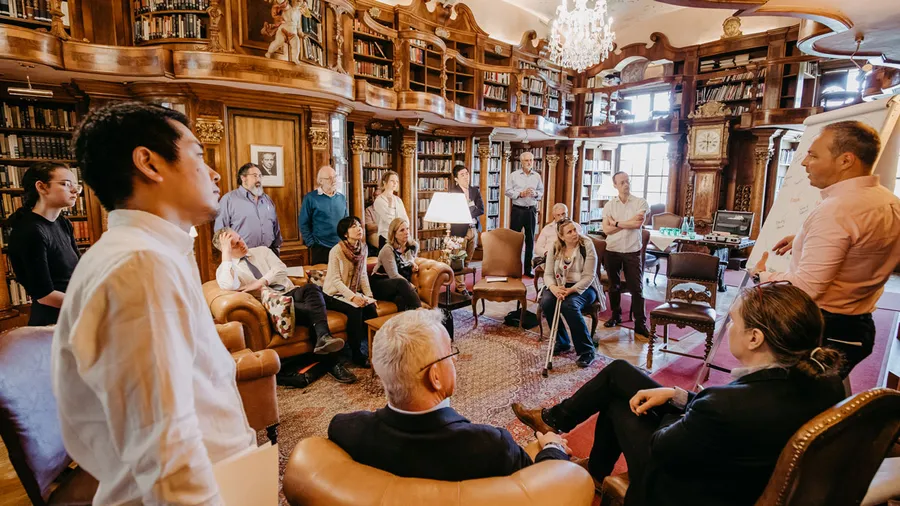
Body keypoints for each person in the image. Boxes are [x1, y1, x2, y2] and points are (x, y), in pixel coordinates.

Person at [55, 102, 255, 504]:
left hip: (227, 478)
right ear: (149, 163)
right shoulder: (140, 266)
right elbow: (167, 453)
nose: (214, 173)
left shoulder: (152, 253)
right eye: (199, 155)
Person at [513, 282, 845, 506]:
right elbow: (731, 411)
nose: (729, 327)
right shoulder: (824, 380)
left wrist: (677, 412)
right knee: (619, 373)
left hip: (687, 486)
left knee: (617, 405)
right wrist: (677, 395)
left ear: (755, 338)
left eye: (734, 322)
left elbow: (663, 447)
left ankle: (592, 467)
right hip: (733, 452)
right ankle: (553, 421)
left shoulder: (723, 405)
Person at [329, 309, 571, 481]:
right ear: (435, 377)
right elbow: (542, 487)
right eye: (449, 353)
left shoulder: (345, 429)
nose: (455, 359)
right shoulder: (490, 445)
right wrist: (552, 447)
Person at [751, 120, 900, 378]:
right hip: (858, 324)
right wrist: (802, 238)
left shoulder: (837, 210)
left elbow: (807, 287)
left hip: (822, 327)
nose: (804, 162)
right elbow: (862, 244)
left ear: (845, 160)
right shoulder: (889, 201)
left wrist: (763, 277)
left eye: (813, 155)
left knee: (796, 405)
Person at [212, 228, 357, 384]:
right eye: (234, 245)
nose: (242, 244)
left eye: (240, 238)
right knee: (313, 310)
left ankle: (327, 340)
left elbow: (281, 269)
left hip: (291, 290)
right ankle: (332, 360)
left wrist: (260, 282)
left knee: (312, 288)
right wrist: (226, 255)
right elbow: (228, 285)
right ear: (226, 250)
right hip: (276, 304)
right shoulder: (226, 269)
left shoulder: (261, 251)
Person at [5, 162, 81, 326]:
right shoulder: (30, 231)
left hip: (73, 313)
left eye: (76, 186)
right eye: (66, 184)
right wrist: (90, 304)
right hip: (52, 323)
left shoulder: (63, 223)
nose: (74, 190)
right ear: (42, 187)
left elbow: (78, 269)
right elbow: (45, 295)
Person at [540, 219, 606, 368]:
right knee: (546, 301)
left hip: (585, 287)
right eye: (569, 232)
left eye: (575, 230)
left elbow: (589, 277)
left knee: (569, 305)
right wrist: (553, 288)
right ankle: (562, 341)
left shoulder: (586, 245)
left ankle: (586, 351)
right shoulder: (555, 247)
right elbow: (548, 274)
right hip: (560, 285)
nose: (574, 233)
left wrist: (571, 290)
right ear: (561, 236)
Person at [323, 216, 379, 367]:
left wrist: (369, 296)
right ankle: (356, 354)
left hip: (351, 291)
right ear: (345, 233)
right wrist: (354, 298)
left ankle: (375, 349)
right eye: (354, 226)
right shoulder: (336, 251)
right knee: (355, 310)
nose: (359, 228)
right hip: (333, 293)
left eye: (359, 225)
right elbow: (336, 280)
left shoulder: (363, 248)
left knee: (371, 307)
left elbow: (362, 275)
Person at [601, 171, 650, 337]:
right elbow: (606, 230)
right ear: (615, 185)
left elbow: (638, 223)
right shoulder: (609, 205)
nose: (626, 184)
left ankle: (640, 324)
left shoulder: (640, 202)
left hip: (632, 251)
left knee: (637, 288)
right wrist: (625, 224)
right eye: (622, 182)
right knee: (613, 286)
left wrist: (615, 222)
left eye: (628, 181)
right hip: (612, 250)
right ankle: (616, 316)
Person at [214, 162, 283, 254]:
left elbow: (276, 227)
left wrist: (277, 248)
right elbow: (220, 232)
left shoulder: (267, 200)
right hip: (243, 256)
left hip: (269, 254)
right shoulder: (228, 200)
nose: (258, 179)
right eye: (254, 175)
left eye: (260, 176)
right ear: (243, 178)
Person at [300, 165, 349, 265]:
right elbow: (303, 223)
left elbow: (347, 222)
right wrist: (311, 244)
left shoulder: (341, 198)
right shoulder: (310, 198)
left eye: (335, 177)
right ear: (320, 181)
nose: (333, 180)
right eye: (329, 178)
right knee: (322, 279)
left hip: (341, 246)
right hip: (320, 247)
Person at [505, 151, 543, 277]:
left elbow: (541, 192)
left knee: (530, 240)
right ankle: (512, 267)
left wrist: (536, 194)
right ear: (521, 162)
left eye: (531, 160)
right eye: (526, 160)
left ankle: (528, 269)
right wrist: (520, 194)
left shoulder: (537, 176)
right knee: (514, 240)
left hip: (531, 210)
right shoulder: (514, 175)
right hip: (518, 210)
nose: (529, 163)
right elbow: (507, 191)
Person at [371, 218, 422, 312]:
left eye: (407, 229)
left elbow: (409, 259)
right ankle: (421, 312)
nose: (406, 232)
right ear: (394, 234)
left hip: (398, 285)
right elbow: (393, 275)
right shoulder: (388, 249)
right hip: (380, 283)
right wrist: (409, 286)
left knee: (401, 300)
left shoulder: (413, 246)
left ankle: (408, 324)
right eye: (402, 230)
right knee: (402, 283)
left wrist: (412, 263)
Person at [448, 164, 484, 295]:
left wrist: (467, 212)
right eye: (462, 175)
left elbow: (481, 209)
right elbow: (455, 212)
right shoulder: (453, 192)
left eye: (467, 173)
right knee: (459, 260)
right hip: (459, 231)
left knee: (468, 259)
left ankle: (461, 285)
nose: (466, 177)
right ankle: (461, 287)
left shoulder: (475, 191)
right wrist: (470, 210)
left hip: (473, 228)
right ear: (456, 179)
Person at [372, 170, 408, 250]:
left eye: (397, 181)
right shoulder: (379, 200)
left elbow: (405, 219)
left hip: (400, 238)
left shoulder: (398, 200)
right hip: (386, 238)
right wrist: (391, 204)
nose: (395, 183)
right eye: (392, 181)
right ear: (384, 183)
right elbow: (390, 221)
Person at [364, 187, 382, 254]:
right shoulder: (368, 210)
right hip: (374, 234)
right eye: (375, 196)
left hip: (387, 233)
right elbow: (369, 227)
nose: (376, 197)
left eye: (378, 196)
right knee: (383, 242)